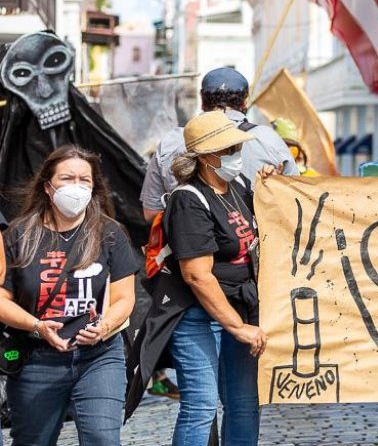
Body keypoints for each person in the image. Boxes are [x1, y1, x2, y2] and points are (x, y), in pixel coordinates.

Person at [0, 145, 139, 445]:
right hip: (36, 359)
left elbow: (125, 298)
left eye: (84, 180)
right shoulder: (17, 235)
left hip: (99, 357)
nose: (76, 187)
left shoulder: (110, 233)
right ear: (48, 187)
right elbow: (1, 298)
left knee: (102, 437)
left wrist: (103, 327)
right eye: (67, 178)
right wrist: (36, 325)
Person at [161, 111, 271, 446]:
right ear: (207, 157)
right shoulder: (188, 199)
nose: (238, 155)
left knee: (243, 404)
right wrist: (237, 328)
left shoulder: (239, 187)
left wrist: (271, 186)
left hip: (239, 307)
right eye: (231, 149)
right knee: (201, 405)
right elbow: (196, 275)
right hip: (197, 317)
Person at [139, 66, 297, 221]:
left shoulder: (171, 141)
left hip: (186, 243)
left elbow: (151, 212)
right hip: (255, 242)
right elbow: (297, 202)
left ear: (202, 100)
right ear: (245, 101)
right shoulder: (268, 139)